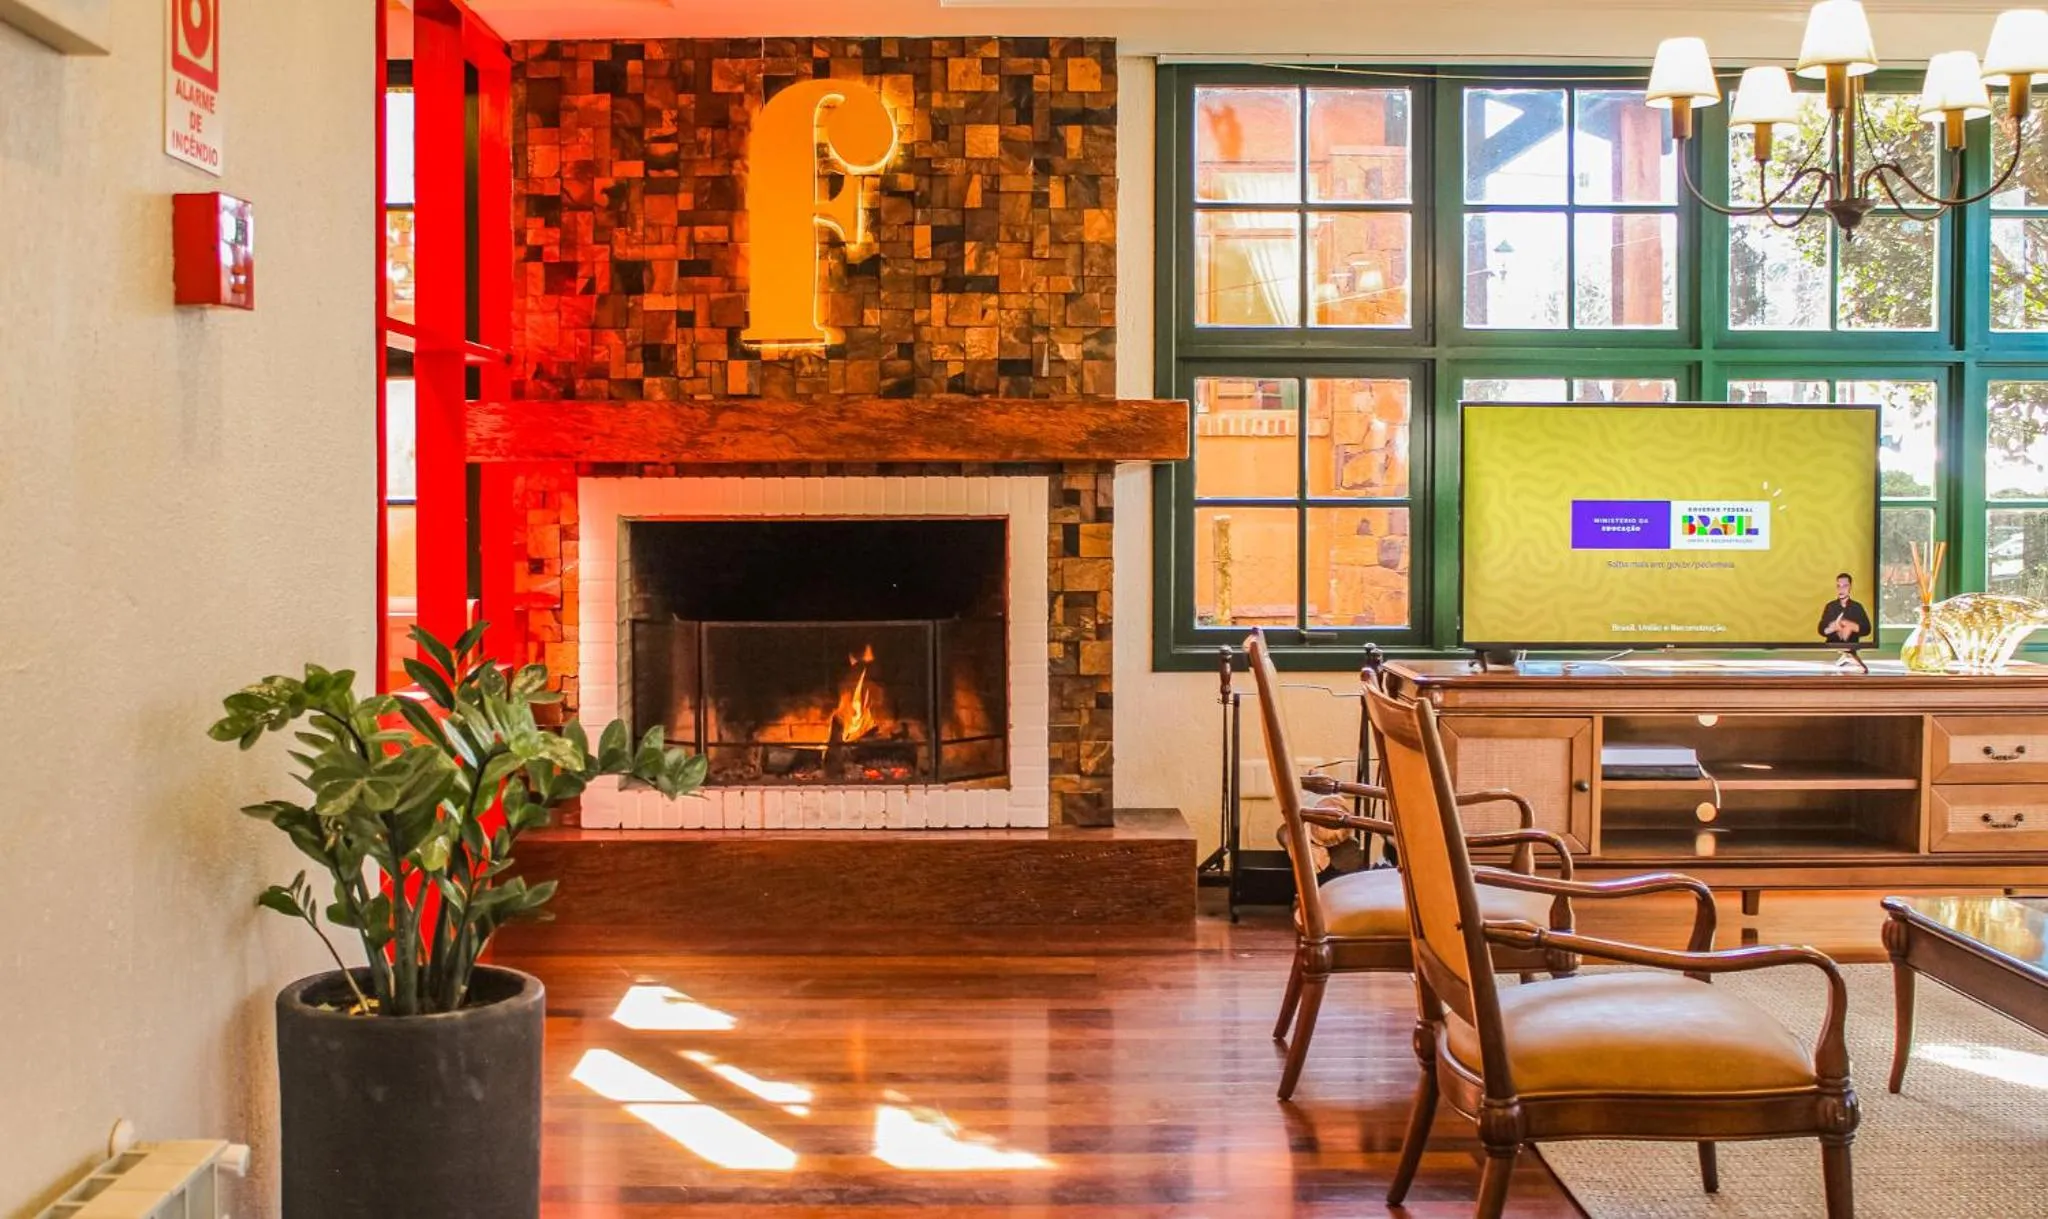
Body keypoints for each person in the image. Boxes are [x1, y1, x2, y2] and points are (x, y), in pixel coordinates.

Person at [1818, 572, 1872, 646]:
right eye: (1838, 586)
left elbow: (1867, 629)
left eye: (1845, 586)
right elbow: (1821, 629)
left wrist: (1850, 625)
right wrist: (1832, 628)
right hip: (1831, 649)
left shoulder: (1857, 607)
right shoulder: (1830, 606)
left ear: (1850, 587)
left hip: (1851, 649)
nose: (1841, 589)